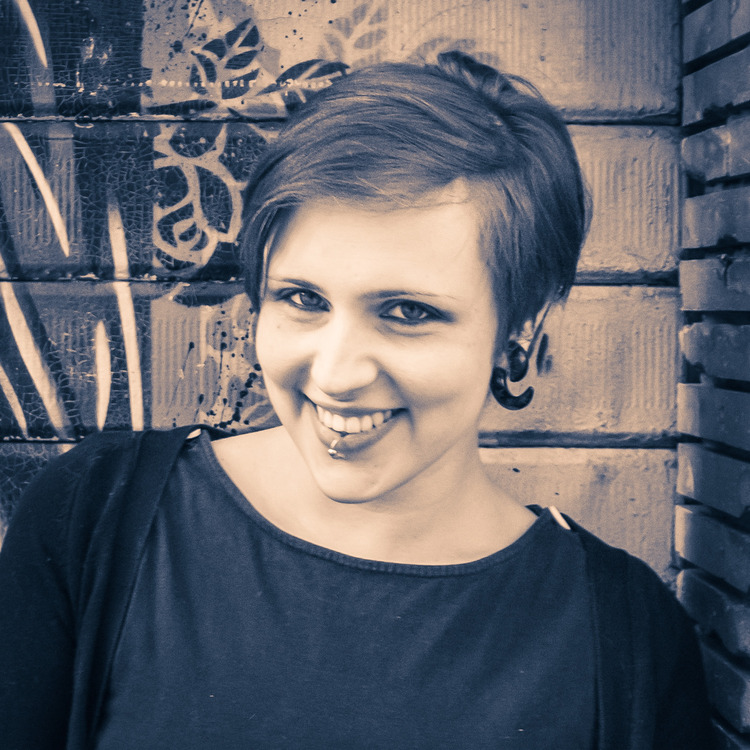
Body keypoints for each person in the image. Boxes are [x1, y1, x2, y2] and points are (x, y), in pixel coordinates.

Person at [0, 52, 713, 749]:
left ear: (518, 329)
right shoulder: (96, 516)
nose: (337, 373)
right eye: (302, 299)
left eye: (407, 312)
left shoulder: (624, 641)